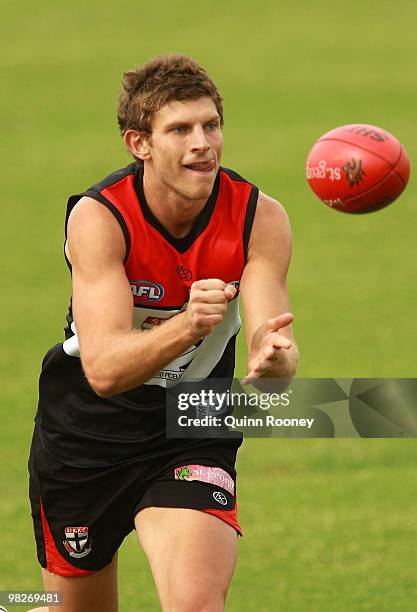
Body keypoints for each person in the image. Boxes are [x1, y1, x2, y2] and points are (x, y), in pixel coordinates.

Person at [28, 54, 298, 612]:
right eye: (180, 129)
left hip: (194, 420)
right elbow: (103, 371)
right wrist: (184, 325)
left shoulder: (258, 217)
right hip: (87, 434)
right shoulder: (100, 218)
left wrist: (274, 362)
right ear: (139, 144)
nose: (203, 142)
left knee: (197, 605)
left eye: (211, 125)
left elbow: (272, 352)